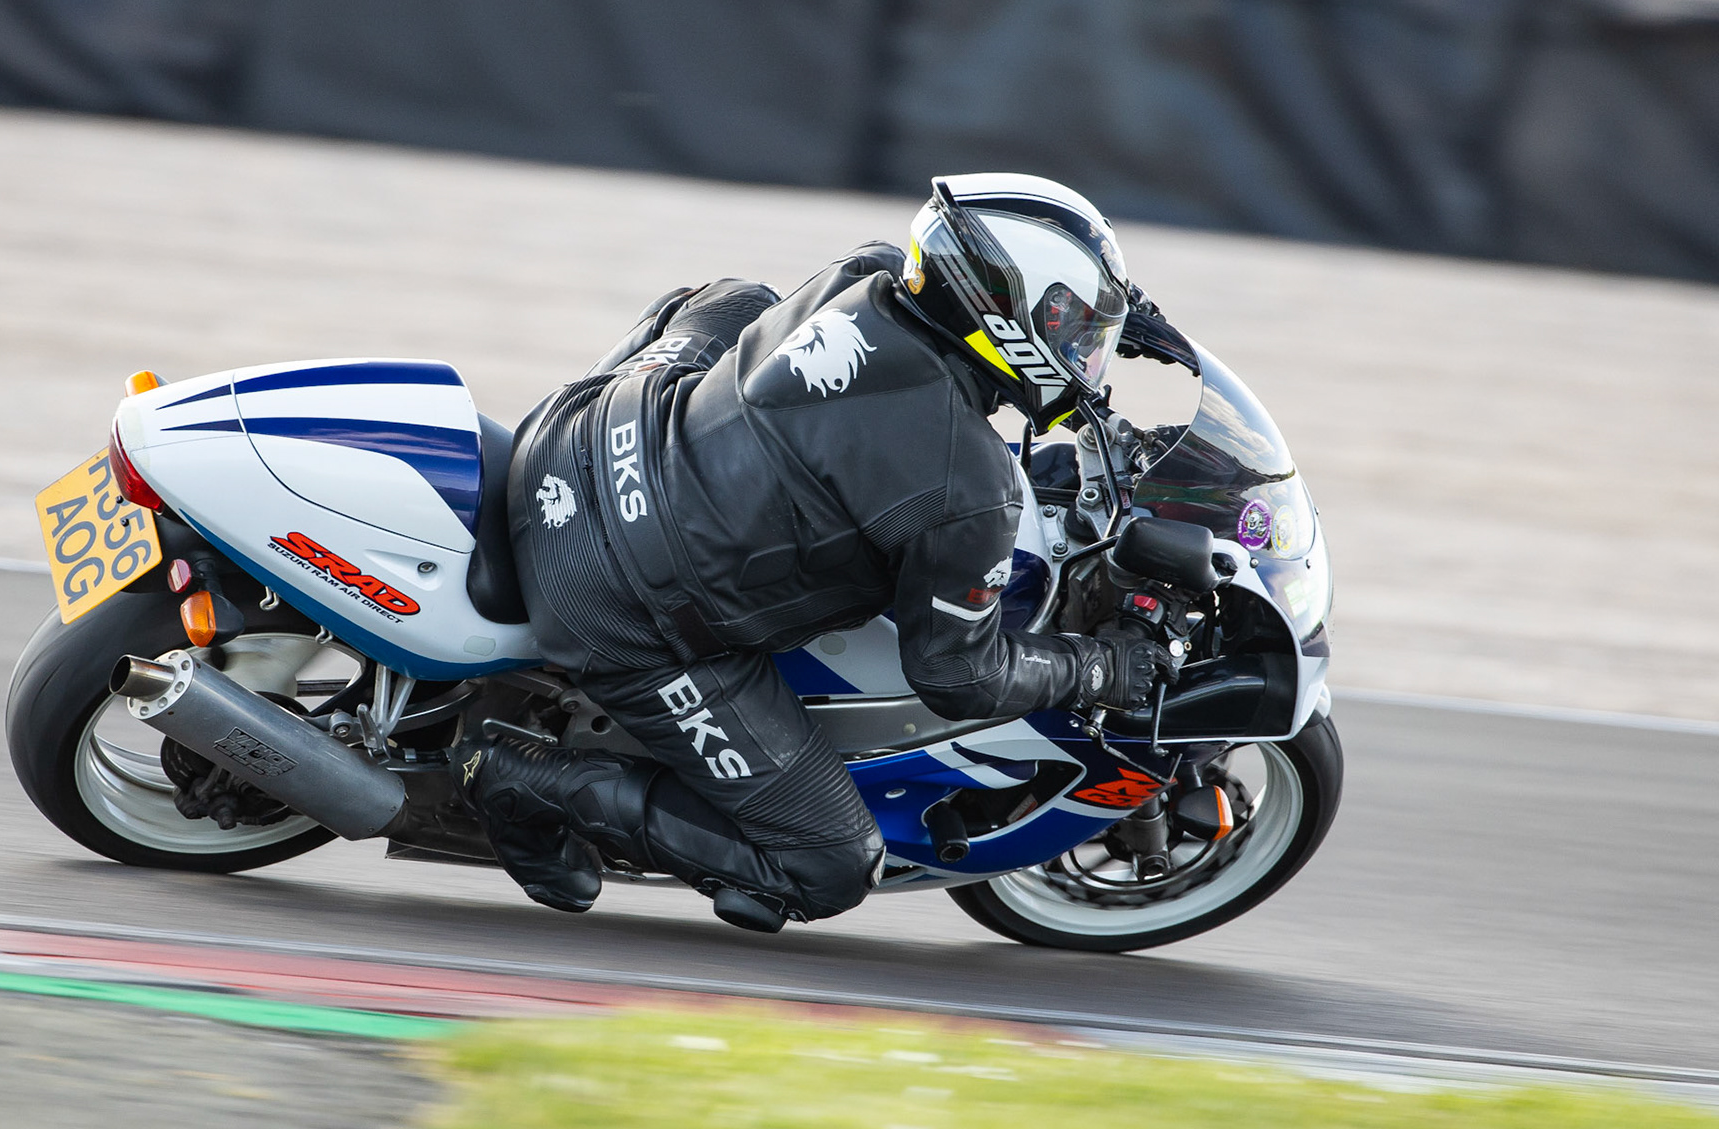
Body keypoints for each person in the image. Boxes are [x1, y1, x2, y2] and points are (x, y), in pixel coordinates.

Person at [450, 173, 1183, 933]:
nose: (1084, 351)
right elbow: (960, 676)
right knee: (829, 865)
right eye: (1071, 327)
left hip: (575, 430)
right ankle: (515, 780)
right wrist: (1099, 668)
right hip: (615, 600)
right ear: (1006, 315)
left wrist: (1129, 321)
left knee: (738, 301)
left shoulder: (865, 276)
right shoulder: (970, 488)